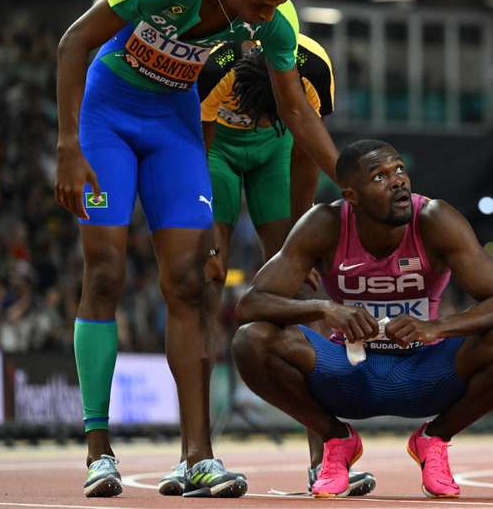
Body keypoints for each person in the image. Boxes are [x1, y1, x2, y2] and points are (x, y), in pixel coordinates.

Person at [54, 0, 339, 498]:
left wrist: (347, 179)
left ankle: (197, 458)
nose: (267, 18)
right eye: (259, 4)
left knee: (190, 284)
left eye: (276, 5)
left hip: (174, 123)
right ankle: (97, 450)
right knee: (106, 273)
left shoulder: (274, 19)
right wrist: (67, 144)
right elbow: (73, 41)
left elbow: (295, 111)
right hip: (109, 112)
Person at [232, 139, 493, 498]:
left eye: (398, 170)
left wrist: (435, 327)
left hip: (426, 373)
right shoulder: (324, 224)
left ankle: (434, 438)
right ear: (352, 197)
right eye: (380, 176)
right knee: (251, 340)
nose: (397, 181)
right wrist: (325, 309)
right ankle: (336, 439)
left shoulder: (435, 219)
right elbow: (251, 304)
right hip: (347, 370)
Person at [156, 36, 376, 496]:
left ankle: (325, 459)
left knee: (302, 291)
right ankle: (195, 456)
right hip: (212, 150)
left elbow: (306, 153)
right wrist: (214, 250)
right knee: (202, 286)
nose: (257, 121)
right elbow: (196, 162)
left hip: (277, 153)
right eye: (255, 113)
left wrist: (300, 239)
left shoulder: (313, 69)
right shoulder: (216, 68)